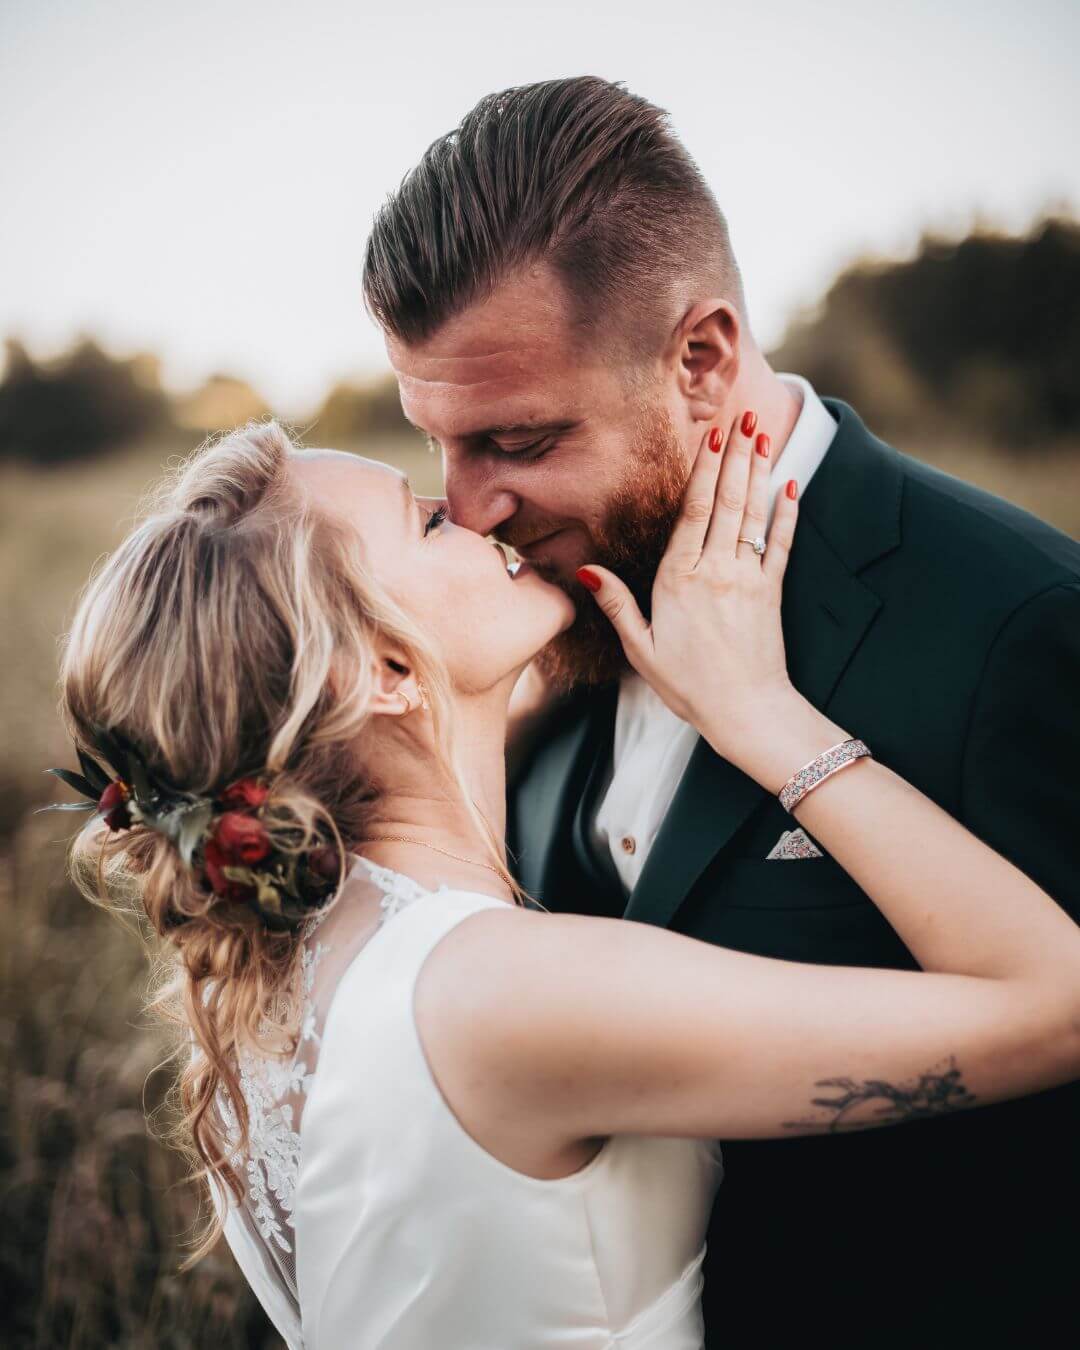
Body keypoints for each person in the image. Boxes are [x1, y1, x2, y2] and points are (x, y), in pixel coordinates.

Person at [49, 415, 1080, 1349]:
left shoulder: (285, 973)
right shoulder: (504, 993)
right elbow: (1054, 1006)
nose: (467, 509)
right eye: (422, 523)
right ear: (388, 674)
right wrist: (761, 713)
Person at [362, 76, 1080, 1344]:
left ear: (701, 359)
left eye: (517, 443)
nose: (466, 508)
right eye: (441, 444)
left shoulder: (1018, 622)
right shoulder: (529, 615)